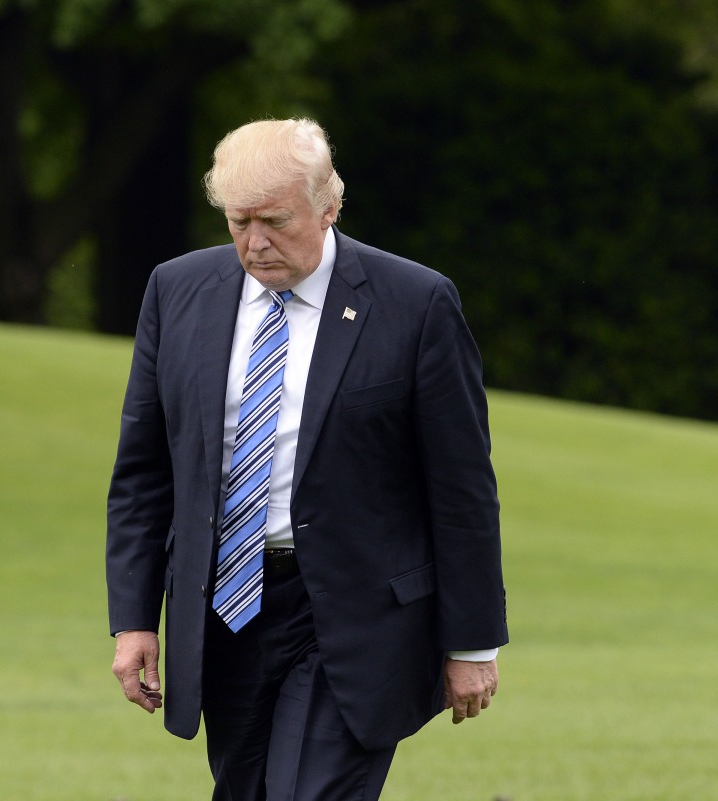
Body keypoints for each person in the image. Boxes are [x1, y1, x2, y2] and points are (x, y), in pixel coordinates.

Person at [106, 118, 508, 801]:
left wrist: (471, 643)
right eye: (239, 222)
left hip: (354, 614)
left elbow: (461, 488)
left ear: (329, 206)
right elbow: (143, 476)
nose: (255, 243)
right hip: (226, 608)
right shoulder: (177, 292)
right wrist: (134, 618)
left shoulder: (415, 303)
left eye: (275, 220)